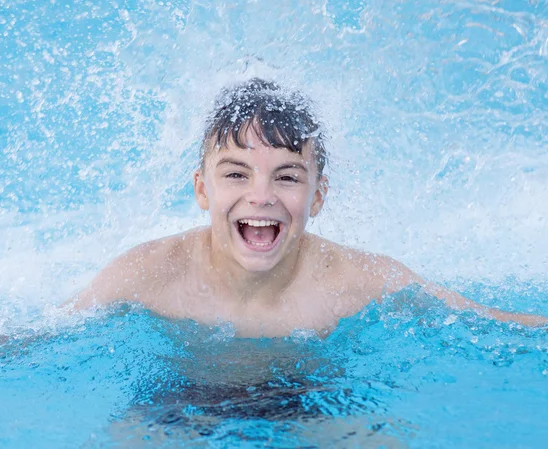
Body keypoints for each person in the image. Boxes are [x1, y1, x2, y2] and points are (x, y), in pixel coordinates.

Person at [68, 78, 547, 337]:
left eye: (288, 177)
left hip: (306, 396)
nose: (261, 195)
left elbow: (487, 321)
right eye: (236, 174)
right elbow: (44, 334)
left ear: (317, 196)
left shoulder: (355, 280)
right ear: (202, 189)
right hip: (179, 398)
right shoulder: (148, 273)